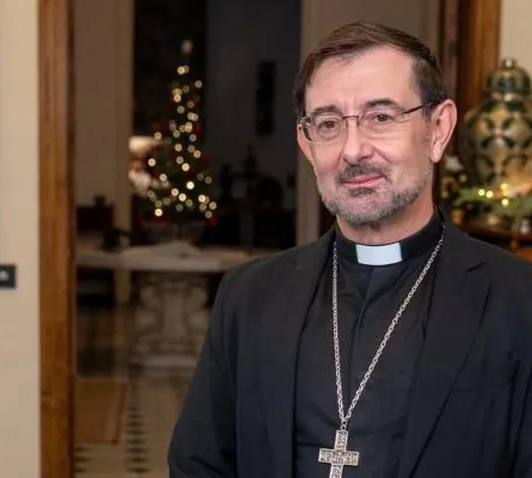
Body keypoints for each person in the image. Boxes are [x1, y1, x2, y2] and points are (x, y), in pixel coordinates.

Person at [168, 20, 532, 478]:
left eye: (381, 118)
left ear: (438, 129)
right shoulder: (249, 297)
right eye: (328, 124)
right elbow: (199, 464)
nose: (353, 150)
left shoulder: (519, 299)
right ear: (306, 144)